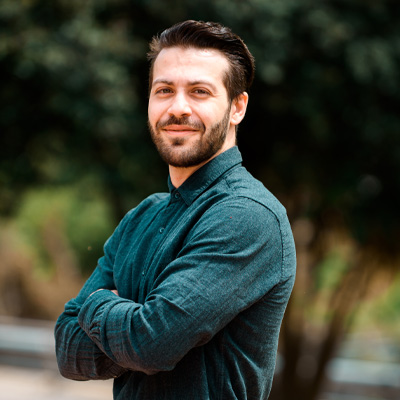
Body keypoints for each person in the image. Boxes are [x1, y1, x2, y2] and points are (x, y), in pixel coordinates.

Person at [55, 20, 296, 400]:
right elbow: (68, 350)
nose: (178, 108)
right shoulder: (141, 217)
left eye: (200, 92)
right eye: (164, 90)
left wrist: (98, 303)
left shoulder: (249, 216)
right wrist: (130, 329)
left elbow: (150, 344)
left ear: (237, 107)